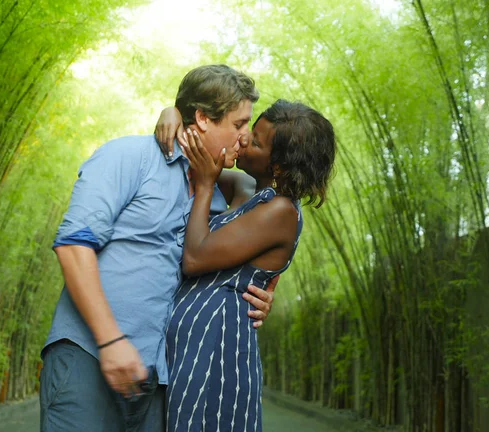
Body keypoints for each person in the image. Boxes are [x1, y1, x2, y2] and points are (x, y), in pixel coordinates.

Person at [39, 65, 278, 432]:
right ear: (201, 118)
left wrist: (264, 290)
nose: (245, 137)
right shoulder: (128, 156)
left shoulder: (215, 193)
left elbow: (269, 213)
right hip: (89, 354)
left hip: (161, 376)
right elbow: (73, 246)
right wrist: (111, 340)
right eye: (238, 124)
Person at [154, 99, 336, 431]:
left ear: (278, 166)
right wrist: (174, 114)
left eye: (255, 142)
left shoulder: (280, 211)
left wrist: (208, 186)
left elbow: (195, 258)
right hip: (192, 347)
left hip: (215, 352)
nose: (242, 140)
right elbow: (191, 160)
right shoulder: (248, 189)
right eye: (248, 131)